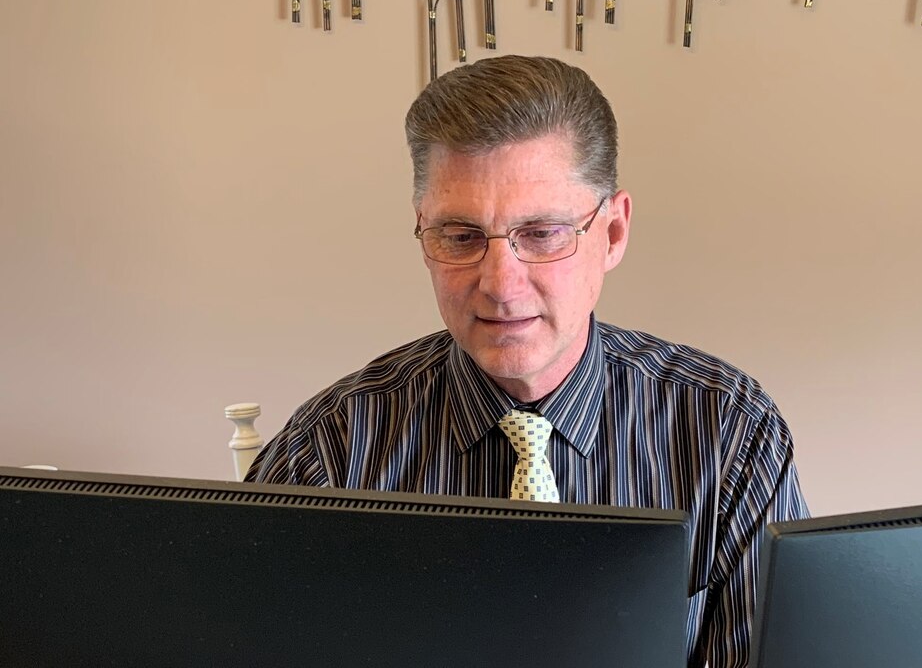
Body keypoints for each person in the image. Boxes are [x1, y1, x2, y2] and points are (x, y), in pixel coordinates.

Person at [247, 55, 808, 668]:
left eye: (542, 234)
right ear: (423, 235)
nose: (501, 285)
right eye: (460, 237)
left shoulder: (729, 432)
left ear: (613, 234)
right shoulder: (328, 451)